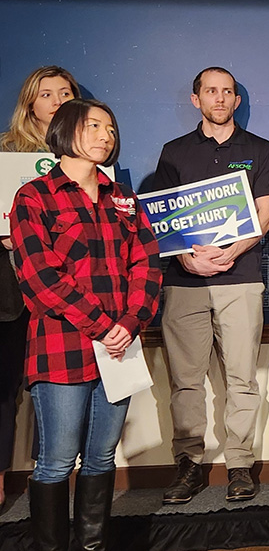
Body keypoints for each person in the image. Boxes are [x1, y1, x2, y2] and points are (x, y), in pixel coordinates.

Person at [11, 98, 161, 551]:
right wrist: (100, 324)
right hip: (63, 346)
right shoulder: (34, 196)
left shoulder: (124, 200)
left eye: (111, 129)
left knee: (100, 458)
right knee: (56, 461)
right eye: (94, 126)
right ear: (64, 130)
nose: (105, 136)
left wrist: (130, 322)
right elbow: (40, 275)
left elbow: (147, 264)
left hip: (119, 347)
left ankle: (93, 545)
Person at [153, 68, 269, 504]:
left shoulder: (261, 150)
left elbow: (265, 216)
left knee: (242, 378)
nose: (221, 98)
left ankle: (240, 465)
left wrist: (230, 252)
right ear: (197, 99)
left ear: (236, 100)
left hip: (240, 277)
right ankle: (188, 465)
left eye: (228, 92)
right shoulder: (173, 153)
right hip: (183, 281)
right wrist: (185, 257)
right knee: (185, 380)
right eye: (211, 91)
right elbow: (164, 218)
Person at [0, 65, 80, 507]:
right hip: (9, 292)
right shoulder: (4, 154)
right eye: (47, 94)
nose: (57, 101)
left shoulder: (90, 156)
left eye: (65, 93)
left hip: (64, 295)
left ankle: (49, 476)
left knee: (57, 390)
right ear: (30, 102)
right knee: (5, 388)